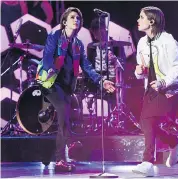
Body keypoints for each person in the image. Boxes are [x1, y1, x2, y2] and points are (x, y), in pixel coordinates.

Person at [36, 7, 115, 172]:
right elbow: (48, 55)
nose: (76, 20)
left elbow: (86, 66)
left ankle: (60, 151)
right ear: (64, 21)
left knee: (68, 113)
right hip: (50, 82)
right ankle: (64, 153)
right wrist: (50, 67)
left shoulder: (78, 44)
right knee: (63, 109)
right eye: (72, 17)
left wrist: (101, 81)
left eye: (78, 18)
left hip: (65, 85)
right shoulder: (55, 36)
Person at [132, 6, 178, 176]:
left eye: (141, 17)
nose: (138, 20)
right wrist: (139, 72)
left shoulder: (168, 41)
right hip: (151, 88)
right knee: (147, 123)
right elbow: (140, 71)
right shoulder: (142, 42)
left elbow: (177, 68)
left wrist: (164, 82)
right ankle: (175, 144)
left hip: (169, 88)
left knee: (148, 120)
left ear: (151, 21)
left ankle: (147, 162)